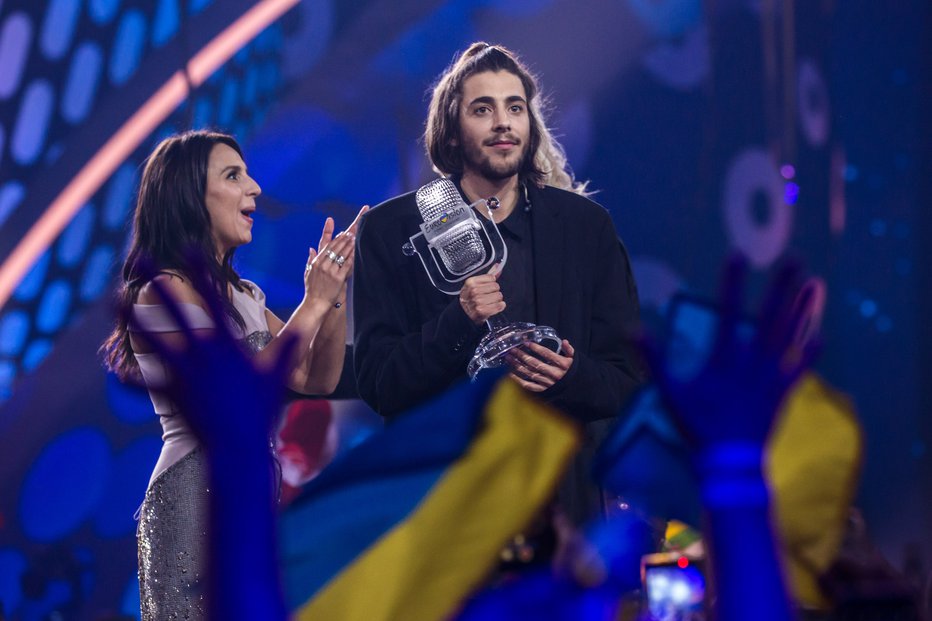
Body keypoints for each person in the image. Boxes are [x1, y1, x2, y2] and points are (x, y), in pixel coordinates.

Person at [353, 42, 644, 527]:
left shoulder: (584, 226)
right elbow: (382, 385)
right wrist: (458, 322)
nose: (503, 122)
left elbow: (629, 380)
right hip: (443, 514)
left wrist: (569, 378)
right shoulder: (392, 229)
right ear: (450, 131)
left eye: (515, 108)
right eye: (482, 109)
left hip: (560, 514)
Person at [100, 130, 365, 620]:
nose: (256, 188)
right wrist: (311, 302)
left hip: (249, 492)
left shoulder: (246, 295)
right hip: (194, 494)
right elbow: (242, 396)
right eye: (233, 175)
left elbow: (316, 378)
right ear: (189, 197)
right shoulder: (164, 291)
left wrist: (333, 297)